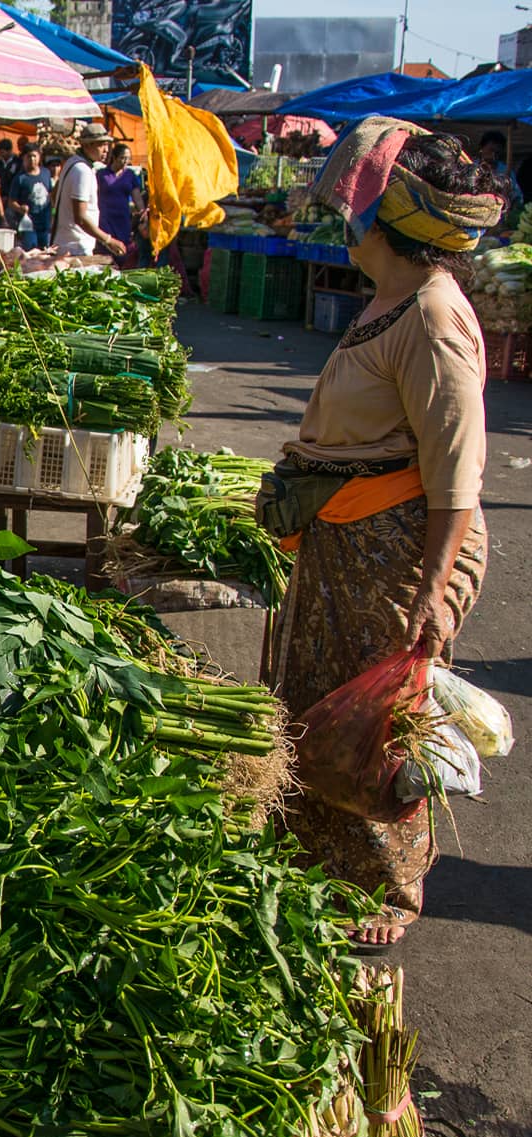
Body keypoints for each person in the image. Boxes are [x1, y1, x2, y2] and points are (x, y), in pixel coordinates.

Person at [266, 122, 507, 949]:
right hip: (351, 543)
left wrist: (435, 590)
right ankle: (322, 868)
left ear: (386, 221)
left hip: (397, 551)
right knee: (322, 708)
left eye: (358, 201)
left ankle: (388, 889)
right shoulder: (392, 299)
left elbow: (457, 474)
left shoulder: (434, 317)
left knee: (376, 728)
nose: (344, 214)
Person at [51, 123, 126, 258]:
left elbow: (54, 195)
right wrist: (108, 240)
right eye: (101, 145)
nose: (106, 150)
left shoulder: (71, 162)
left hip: (65, 244)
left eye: (107, 145)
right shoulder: (82, 170)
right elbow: (80, 217)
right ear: (87, 145)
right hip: (75, 248)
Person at [96, 142, 145, 266]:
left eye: (128, 159)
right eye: (123, 158)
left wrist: (143, 212)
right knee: (106, 253)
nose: (125, 161)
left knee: (123, 252)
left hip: (123, 220)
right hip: (105, 220)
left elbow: (137, 197)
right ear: (114, 157)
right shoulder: (102, 175)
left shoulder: (130, 175)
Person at [5, 145, 54, 249]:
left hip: (45, 222)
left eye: (34, 156)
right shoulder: (20, 179)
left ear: (39, 157)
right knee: (31, 251)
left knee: (46, 250)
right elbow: (11, 202)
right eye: (29, 157)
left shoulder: (46, 173)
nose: (32, 159)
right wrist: (20, 208)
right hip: (29, 224)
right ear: (24, 158)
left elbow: (50, 194)